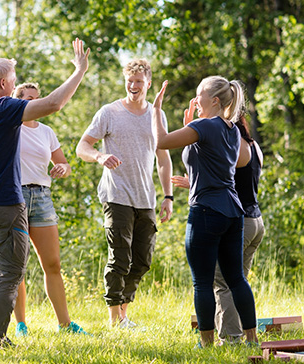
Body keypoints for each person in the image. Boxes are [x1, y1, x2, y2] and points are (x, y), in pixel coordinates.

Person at [0, 38, 89, 346]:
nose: (14, 85)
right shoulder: (5, 108)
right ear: (4, 84)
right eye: (13, 82)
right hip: (6, 204)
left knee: (2, 268)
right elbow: (53, 104)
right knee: (10, 272)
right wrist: (79, 70)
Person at [152, 76, 258, 347]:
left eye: (198, 95)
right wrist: (191, 128)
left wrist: (155, 110)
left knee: (202, 282)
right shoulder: (232, 129)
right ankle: (251, 339)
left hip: (206, 211)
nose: (194, 100)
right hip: (234, 212)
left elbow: (162, 141)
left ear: (214, 100)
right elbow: (212, 161)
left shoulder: (204, 126)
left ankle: (207, 343)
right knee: (236, 278)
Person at [76, 59, 173, 327]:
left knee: (142, 260)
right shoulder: (109, 112)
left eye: (139, 81)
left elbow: (163, 159)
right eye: (129, 81)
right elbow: (82, 146)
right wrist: (99, 156)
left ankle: (124, 314)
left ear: (148, 83)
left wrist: (168, 196)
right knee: (119, 257)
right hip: (115, 194)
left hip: (146, 198)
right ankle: (114, 319)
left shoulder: (157, 115)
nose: (133, 86)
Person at [171, 115, 265, 344]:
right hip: (255, 220)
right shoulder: (254, 146)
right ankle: (245, 336)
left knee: (223, 282)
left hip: (234, 216)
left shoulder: (232, 143)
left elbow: (219, 172)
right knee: (237, 280)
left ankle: (231, 338)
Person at [12, 82, 89, 336]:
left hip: (42, 197)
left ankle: (65, 325)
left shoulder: (46, 131)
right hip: (17, 197)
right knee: (17, 264)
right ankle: (21, 324)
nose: (35, 103)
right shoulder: (11, 127)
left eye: (37, 98)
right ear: (19, 101)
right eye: (29, 98)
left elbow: (64, 164)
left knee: (53, 263)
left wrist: (62, 169)